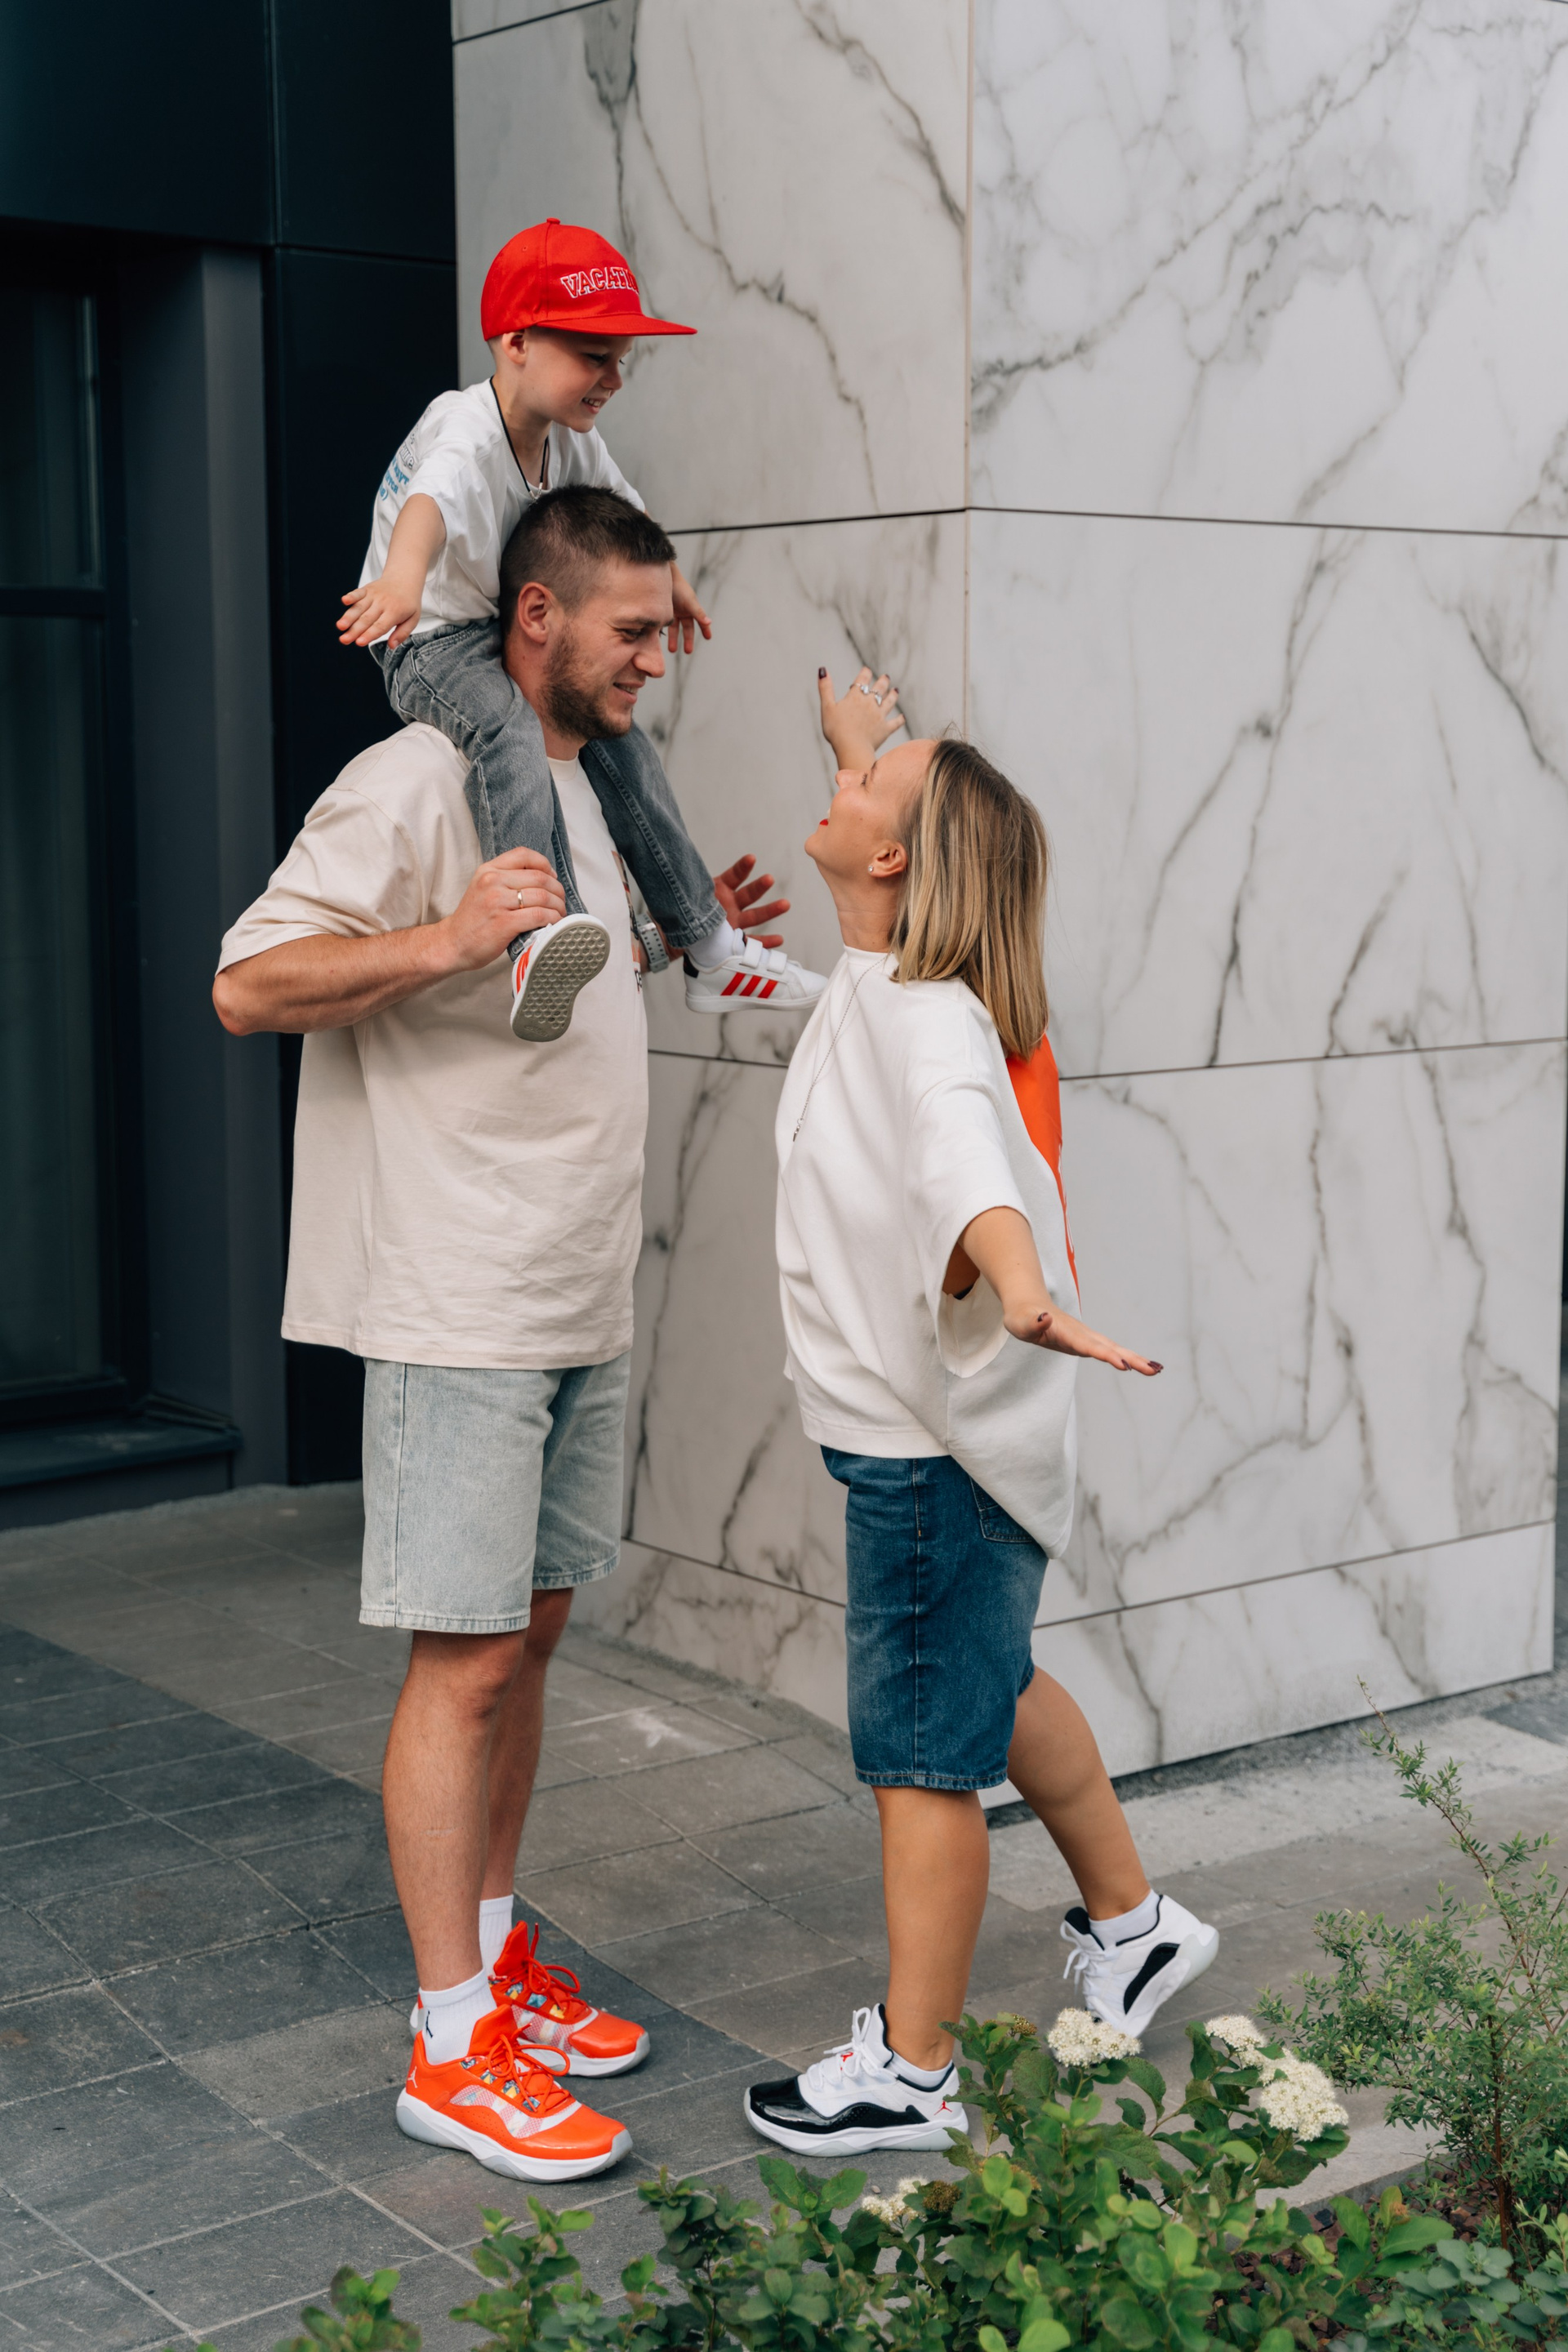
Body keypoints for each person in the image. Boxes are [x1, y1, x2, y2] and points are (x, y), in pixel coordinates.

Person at [214, 490, 797, 2182]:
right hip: (456, 1293)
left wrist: (676, 929)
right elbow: (248, 983)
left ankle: (490, 1949)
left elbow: (560, 987)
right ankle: (449, 2042)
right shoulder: (415, 779)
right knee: (462, 1661)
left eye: (666, 628)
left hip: (570, 1288)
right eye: (634, 629)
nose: (657, 658)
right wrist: (450, 936)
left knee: (529, 1642)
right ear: (535, 617)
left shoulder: (589, 788)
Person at [745, 715, 1218, 2158]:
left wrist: (1021, 1286)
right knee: (987, 1682)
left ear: (893, 857)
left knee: (922, 1760)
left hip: (931, 1462)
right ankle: (1134, 1927)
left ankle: (915, 2070)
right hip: (932, 1445)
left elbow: (966, 1163)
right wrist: (865, 740)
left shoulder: (928, 1021)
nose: (840, 783)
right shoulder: (880, 978)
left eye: (863, 782)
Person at [339, 216, 823, 1040]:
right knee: (508, 725)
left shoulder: (569, 443)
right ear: (517, 342)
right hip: (426, 639)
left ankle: (709, 944)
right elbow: (428, 505)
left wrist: (673, 585)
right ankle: (536, 938)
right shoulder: (466, 428)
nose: (614, 379)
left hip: (494, 625)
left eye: (621, 361)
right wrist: (400, 580)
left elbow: (629, 516)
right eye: (596, 357)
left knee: (618, 737)